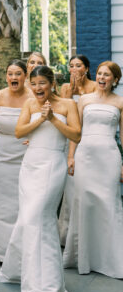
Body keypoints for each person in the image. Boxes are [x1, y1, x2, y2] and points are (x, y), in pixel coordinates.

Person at [0, 65, 81, 292]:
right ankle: (29, 276)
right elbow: (18, 132)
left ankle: (48, 285)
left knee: (39, 217)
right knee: (30, 220)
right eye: (33, 84)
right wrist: (39, 121)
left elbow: (76, 135)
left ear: (52, 84)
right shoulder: (29, 105)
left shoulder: (68, 105)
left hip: (53, 165)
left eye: (42, 84)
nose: (37, 88)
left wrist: (53, 118)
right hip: (31, 165)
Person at [63, 61, 123, 278]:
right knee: (84, 204)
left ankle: (111, 260)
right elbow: (76, 132)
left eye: (107, 75)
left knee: (109, 203)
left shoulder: (120, 102)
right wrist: (71, 156)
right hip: (85, 156)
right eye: (99, 73)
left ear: (115, 79)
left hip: (108, 157)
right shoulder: (85, 100)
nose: (102, 78)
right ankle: (83, 258)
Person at [0, 60, 32, 262]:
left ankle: (23, 248)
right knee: (3, 199)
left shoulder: (33, 96)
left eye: (18, 73)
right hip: (1, 154)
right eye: (10, 74)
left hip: (27, 153)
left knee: (24, 197)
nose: (13, 78)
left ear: (25, 76)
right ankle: (1, 251)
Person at [58, 55, 96, 245]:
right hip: (69, 140)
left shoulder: (95, 87)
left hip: (89, 138)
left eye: (78, 66)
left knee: (87, 186)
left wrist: (80, 90)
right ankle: (67, 236)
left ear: (86, 69)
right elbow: (64, 111)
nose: (74, 69)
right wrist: (72, 89)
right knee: (70, 187)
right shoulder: (65, 88)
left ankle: (88, 233)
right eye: (71, 66)